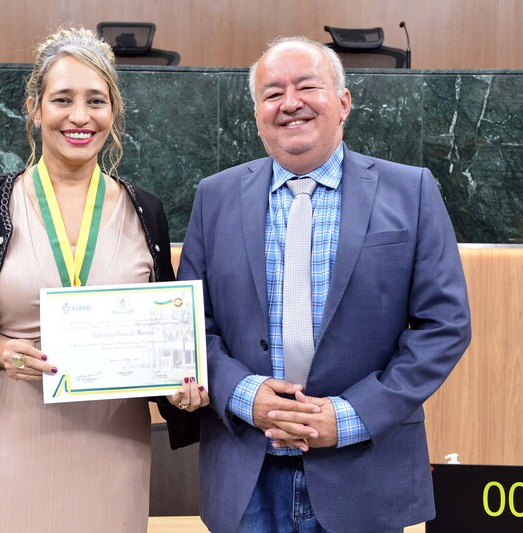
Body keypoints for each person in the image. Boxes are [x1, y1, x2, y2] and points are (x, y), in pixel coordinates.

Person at [0, 26, 206, 533]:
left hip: (115, 438)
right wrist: (3, 350)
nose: (80, 117)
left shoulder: (145, 210)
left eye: (96, 101)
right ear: (34, 108)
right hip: (14, 429)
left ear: (114, 112)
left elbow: (164, 333)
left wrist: (180, 385)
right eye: (62, 99)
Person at [177, 36, 471, 533]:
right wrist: (245, 395)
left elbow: (444, 326)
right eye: (272, 93)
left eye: (306, 86)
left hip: (364, 473)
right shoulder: (215, 196)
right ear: (257, 115)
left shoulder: (412, 191)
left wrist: (352, 415)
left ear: (343, 102)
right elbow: (190, 325)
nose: (290, 103)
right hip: (246, 474)